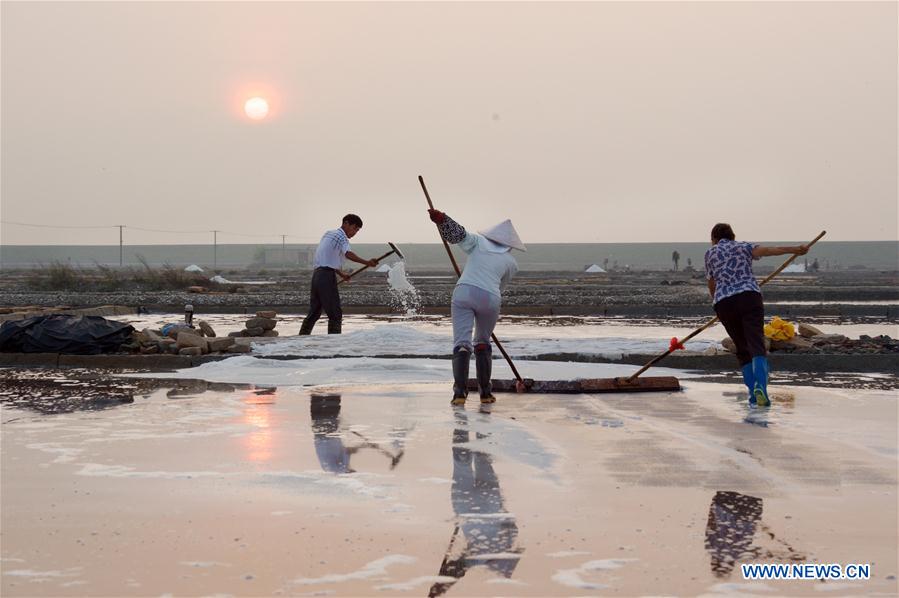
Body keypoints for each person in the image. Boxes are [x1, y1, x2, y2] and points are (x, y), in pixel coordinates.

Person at [428, 209, 524, 405]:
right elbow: (500, 287)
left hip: (464, 292)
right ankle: (485, 394)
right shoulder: (512, 263)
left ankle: (460, 395)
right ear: (509, 245)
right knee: (482, 342)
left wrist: (443, 220)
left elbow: (458, 234)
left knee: (462, 344)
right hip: (490, 298)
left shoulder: (478, 243)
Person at [704, 223, 807, 406]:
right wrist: (795, 250)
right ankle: (761, 387)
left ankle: (753, 394)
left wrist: (717, 303)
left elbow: (712, 284)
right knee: (756, 344)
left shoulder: (710, 254)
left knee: (743, 350)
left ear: (714, 239)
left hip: (724, 303)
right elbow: (768, 250)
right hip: (749, 298)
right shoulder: (744, 247)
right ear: (733, 236)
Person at [298, 214, 379, 335]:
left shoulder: (328, 234)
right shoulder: (342, 237)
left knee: (314, 313)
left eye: (357, 231)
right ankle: (334, 347)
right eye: (354, 228)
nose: (354, 233)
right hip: (326, 277)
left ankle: (300, 341)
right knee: (335, 314)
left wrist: (341, 273)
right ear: (346, 223)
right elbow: (348, 254)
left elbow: (327, 258)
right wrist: (367, 262)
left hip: (317, 276)